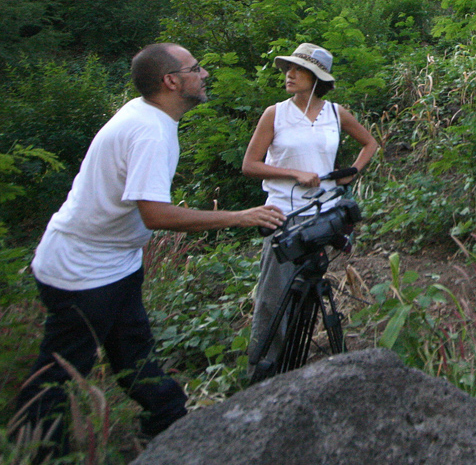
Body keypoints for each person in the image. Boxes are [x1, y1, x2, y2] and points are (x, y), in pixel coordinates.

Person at [11, 44, 286, 454]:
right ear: (171, 81)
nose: (205, 74)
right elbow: (155, 215)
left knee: (134, 356)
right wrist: (240, 216)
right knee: (60, 373)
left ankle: (169, 424)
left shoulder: (147, 116)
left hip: (114, 264)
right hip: (82, 272)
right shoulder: (150, 131)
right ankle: (36, 449)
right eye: (195, 68)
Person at [242, 42, 378, 379]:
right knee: (275, 296)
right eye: (289, 68)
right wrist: (294, 174)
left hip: (323, 216)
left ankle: (306, 371)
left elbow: (370, 143)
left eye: (299, 70)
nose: (289, 74)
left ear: (317, 78)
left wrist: (353, 171)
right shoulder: (275, 113)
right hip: (283, 216)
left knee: (311, 291)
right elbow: (250, 165)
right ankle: (263, 372)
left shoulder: (335, 113)